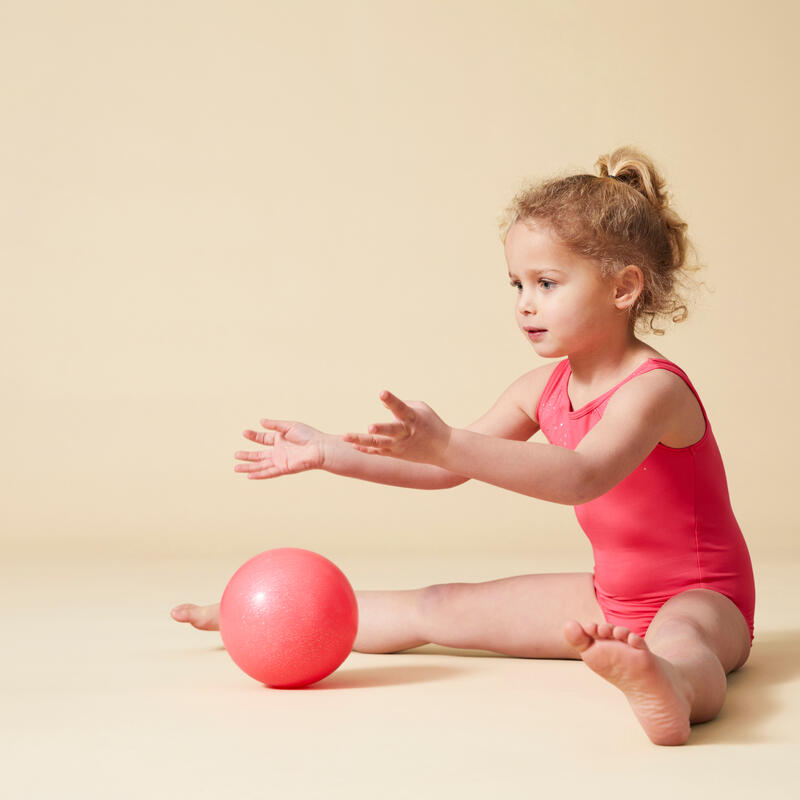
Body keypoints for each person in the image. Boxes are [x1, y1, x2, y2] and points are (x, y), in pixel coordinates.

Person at [172, 146, 755, 747]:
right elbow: (442, 471)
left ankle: (669, 686)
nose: (525, 302)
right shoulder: (540, 390)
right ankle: (253, 618)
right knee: (437, 605)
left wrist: (449, 441)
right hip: (608, 599)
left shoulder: (653, 389)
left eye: (547, 283)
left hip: (705, 595)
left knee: (682, 636)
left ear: (624, 288)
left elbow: (582, 474)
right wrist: (329, 452)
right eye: (518, 284)